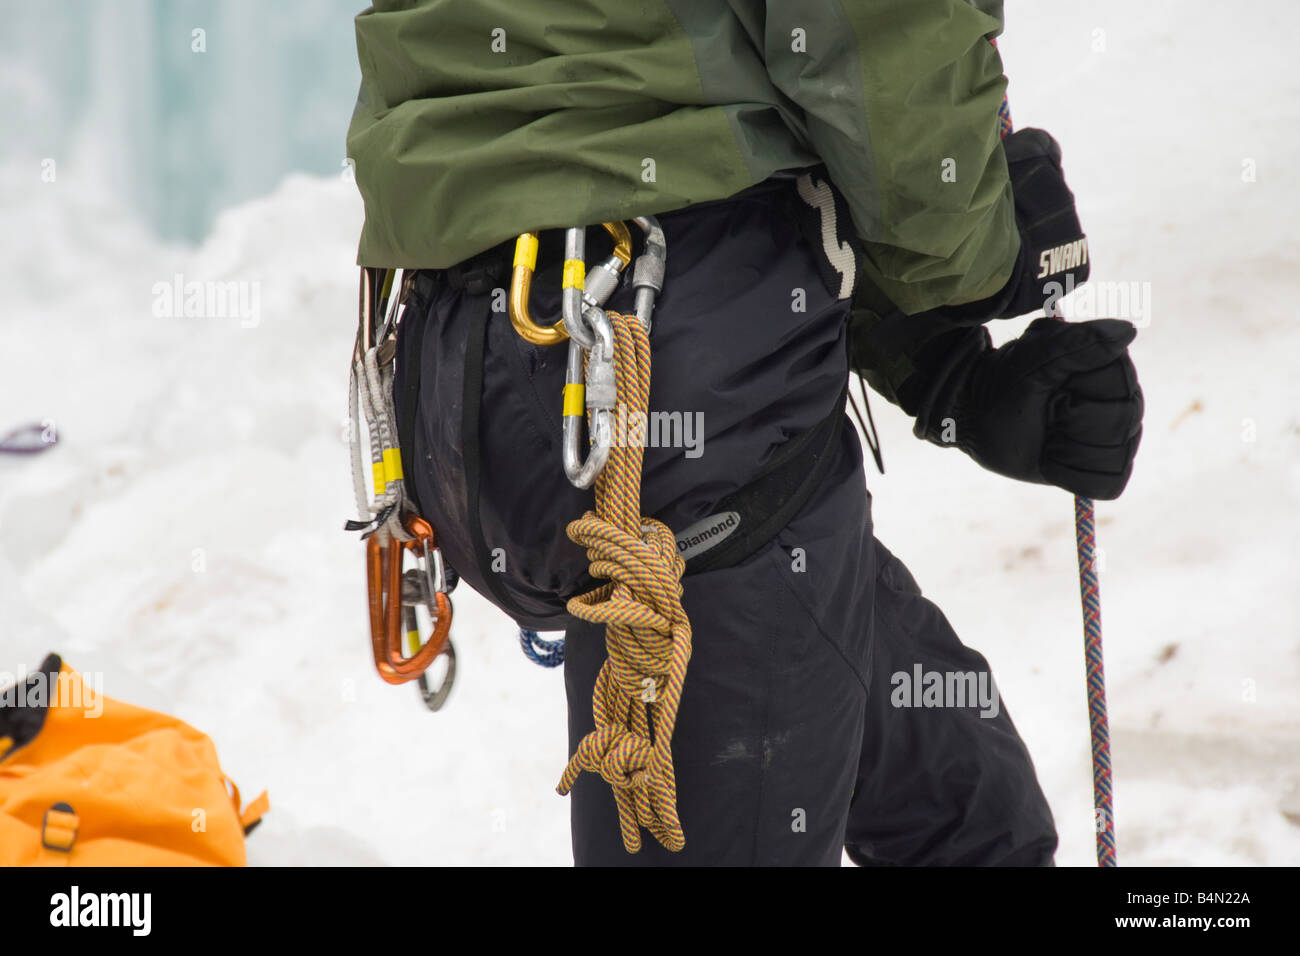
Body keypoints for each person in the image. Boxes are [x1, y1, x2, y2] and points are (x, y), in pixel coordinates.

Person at [346, 0, 1144, 865]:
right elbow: (868, 30)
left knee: (960, 813)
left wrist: (944, 374)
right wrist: (978, 245)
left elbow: (663, 94)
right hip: (679, 382)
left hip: (489, 365)